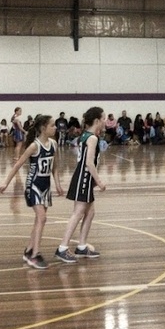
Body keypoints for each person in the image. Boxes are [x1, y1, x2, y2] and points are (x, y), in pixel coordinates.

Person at [0, 114, 64, 269]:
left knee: (39, 220)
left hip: (45, 186)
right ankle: (35, 255)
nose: (56, 128)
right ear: (43, 128)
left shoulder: (54, 144)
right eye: (52, 125)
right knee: (42, 218)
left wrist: (58, 184)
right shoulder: (34, 146)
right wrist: (6, 183)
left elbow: (54, 166)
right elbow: (18, 165)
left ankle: (29, 250)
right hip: (33, 185)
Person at [55, 107, 107, 264]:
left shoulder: (85, 135)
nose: (105, 121)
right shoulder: (92, 138)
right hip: (84, 177)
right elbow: (89, 163)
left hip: (84, 178)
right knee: (78, 213)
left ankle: (82, 246)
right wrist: (99, 181)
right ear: (97, 121)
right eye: (103, 118)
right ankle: (62, 248)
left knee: (90, 213)